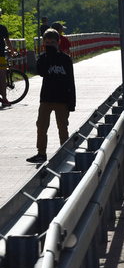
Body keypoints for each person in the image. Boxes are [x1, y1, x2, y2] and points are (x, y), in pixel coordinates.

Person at [26, 29, 76, 163]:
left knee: (62, 127)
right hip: (46, 98)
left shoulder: (66, 59)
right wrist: (48, 56)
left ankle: (65, 152)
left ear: (58, 42)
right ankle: (41, 153)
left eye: (52, 42)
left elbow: (71, 81)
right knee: (41, 126)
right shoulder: (43, 58)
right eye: (47, 42)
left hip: (62, 99)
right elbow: (40, 72)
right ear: (43, 43)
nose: (50, 45)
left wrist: (72, 102)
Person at [1, 12, 16, 107]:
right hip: (0, 55)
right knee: (2, 78)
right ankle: (4, 99)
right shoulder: (2, 28)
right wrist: (12, 52)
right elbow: (7, 42)